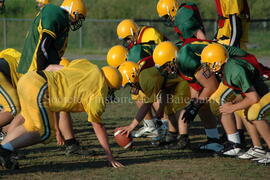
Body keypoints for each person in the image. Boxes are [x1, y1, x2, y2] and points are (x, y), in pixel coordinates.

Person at [0, 59, 124, 169]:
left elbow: (52, 68)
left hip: (29, 79)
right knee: (46, 133)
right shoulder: (98, 92)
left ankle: (3, 148)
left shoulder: (89, 66)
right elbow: (98, 126)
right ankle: (5, 150)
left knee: (30, 125)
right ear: (110, 86)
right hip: (40, 87)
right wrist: (110, 156)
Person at [17, 0, 88, 155]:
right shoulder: (56, 14)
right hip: (35, 71)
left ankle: (71, 143)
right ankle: (6, 146)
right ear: (72, 11)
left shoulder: (61, 20)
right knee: (37, 125)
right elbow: (43, 47)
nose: (78, 21)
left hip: (37, 70)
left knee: (60, 102)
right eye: (79, 16)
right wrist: (44, 73)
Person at [201, 43, 270, 164]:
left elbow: (253, 98)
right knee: (242, 109)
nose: (206, 68)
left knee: (254, 113)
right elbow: (243, 94)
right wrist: (234, 105)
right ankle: (258, 148)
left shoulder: (234, 71)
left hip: (264, 93)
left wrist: (231, 107)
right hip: (260, 92)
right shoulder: (227, 68)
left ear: (217, 62)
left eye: (207, 64)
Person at [118, 42, 191, 149]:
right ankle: (172, 135)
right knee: (169, 108)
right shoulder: (142, 72)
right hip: (171, 83)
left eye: (130, 84)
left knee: (177, 107)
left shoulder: (146, 79)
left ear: (133, 75)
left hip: (180, 81)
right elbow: (163, 87)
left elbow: (147, 105)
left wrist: (132, 126)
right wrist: (161, 108)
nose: (131, 87)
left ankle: (184, 139)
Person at [116, 19, 168, 138]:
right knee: (136, 92)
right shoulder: (136, 47)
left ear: (133, 32)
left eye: (127, 38)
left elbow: (161, 55)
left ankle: (165, 125)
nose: (127, 42)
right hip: (150, 70)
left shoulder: (150, 34)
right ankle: (150, 126)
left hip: (163, 68)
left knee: (151, 90)